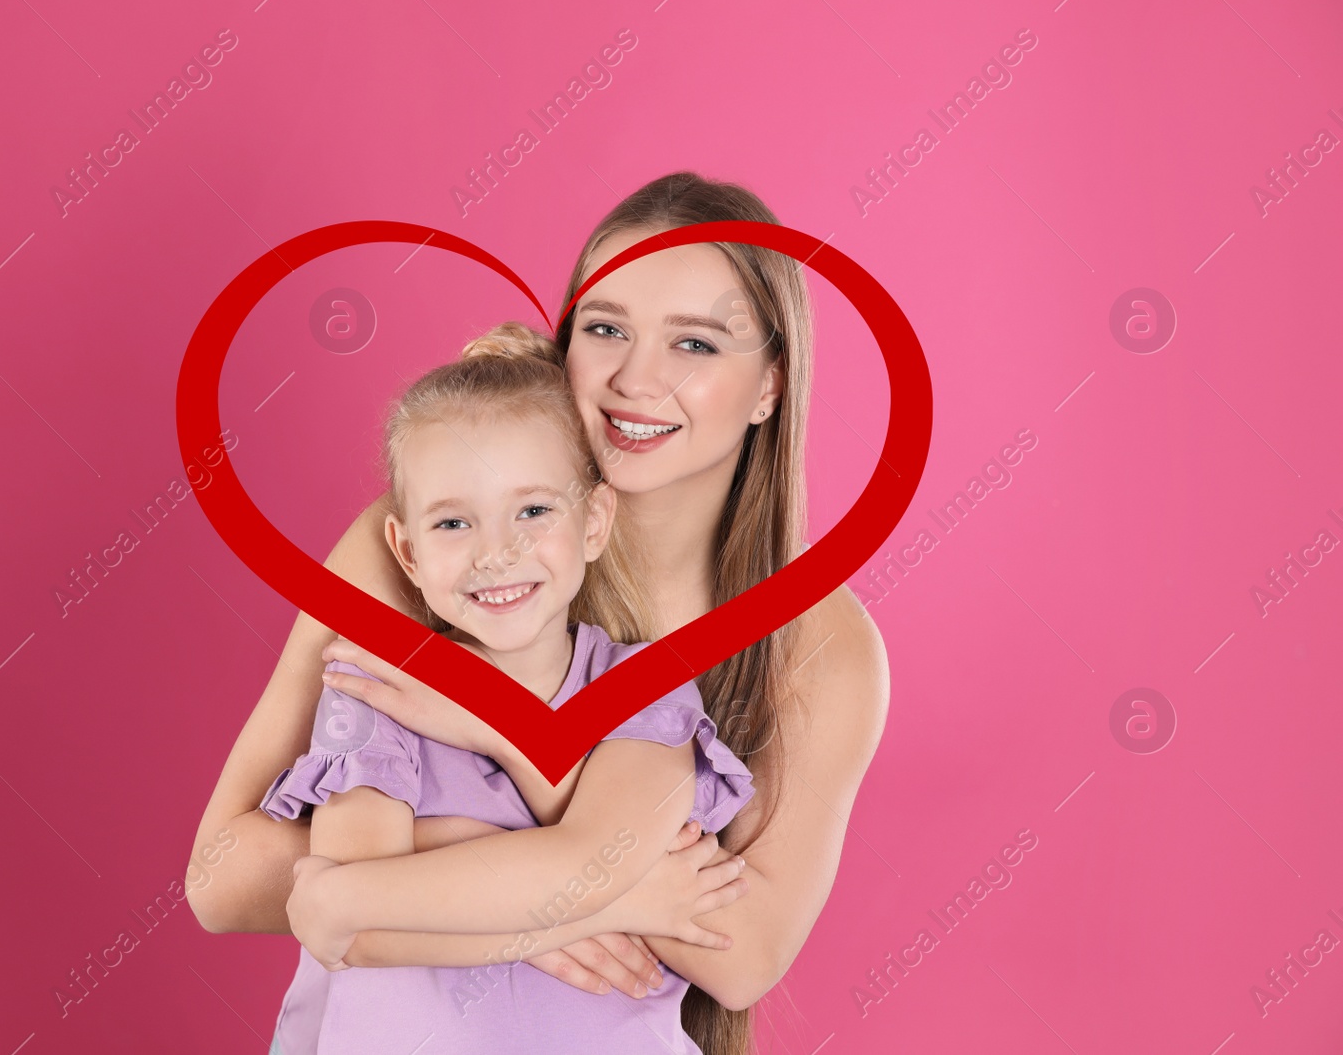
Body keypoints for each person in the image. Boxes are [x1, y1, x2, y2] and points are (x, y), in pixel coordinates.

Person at [187, 172, 890, 1055]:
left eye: (697, 344)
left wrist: (503, 737)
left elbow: (742, 950)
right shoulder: (430, 549)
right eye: (605, 329)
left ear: (770, 386)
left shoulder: (821, 642)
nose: (637, 379)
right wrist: (583, 893)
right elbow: (222, 875)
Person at [260, 322, 756, 1053]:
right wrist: (613, 904)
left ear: (593, 521)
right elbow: (362, 931)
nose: (498, 552)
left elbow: (589, 858)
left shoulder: (644, 690)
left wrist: (352, 888)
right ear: (408, 551)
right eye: (455, 521)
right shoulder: (378, 691)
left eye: (533, 511)